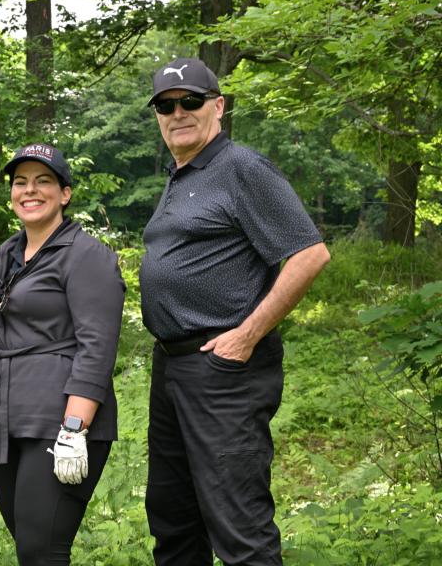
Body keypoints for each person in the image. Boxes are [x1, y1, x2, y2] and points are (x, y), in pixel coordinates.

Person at [140, 58, 331, 565]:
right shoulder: (182, 176)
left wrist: (245, 336)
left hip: (223, 370)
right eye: (165, 105)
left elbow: (309, 253)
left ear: (218, 106)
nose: (177, 112)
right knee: (173, 516)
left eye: (190, 101)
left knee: (238, 523)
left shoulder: (240, 166)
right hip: (173, 368)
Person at [0, 143, 126, 565]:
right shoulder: (1, 257)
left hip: (59, 419)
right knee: (28, 544)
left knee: (43, 549)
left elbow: (97, 346)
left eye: (43, 181)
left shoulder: (87, 256)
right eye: (20, 182)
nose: (30, 191)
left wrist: (74, 428)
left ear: (65, 193)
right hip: (4, 418)